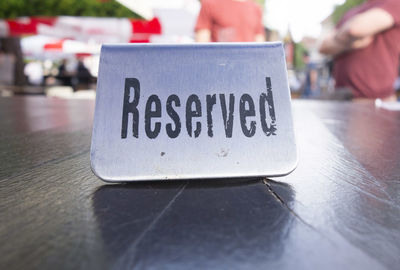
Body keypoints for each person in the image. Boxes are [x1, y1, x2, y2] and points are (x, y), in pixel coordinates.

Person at [319, 0, 400, 101]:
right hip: (341, 98)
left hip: (374, 101)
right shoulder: (351, 12)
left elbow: (354, 29)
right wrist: (350, 44)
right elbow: (323, 47)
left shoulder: (393, 3)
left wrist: (337, 39)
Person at [195, 0, 265, 42]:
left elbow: (259, 43)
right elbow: (201, 44)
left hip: (249, 64)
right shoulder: (210, 3)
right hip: (220, 64)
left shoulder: (255, 8)